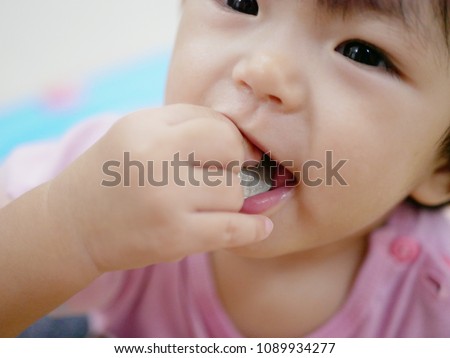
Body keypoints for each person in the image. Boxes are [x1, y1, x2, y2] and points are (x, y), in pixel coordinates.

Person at [1, 0, 450, 338]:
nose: (262, 70)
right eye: (242, 1)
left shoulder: (437, 288)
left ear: (441, 170)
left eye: (361, 52)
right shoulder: (111, 177)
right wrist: (71, 229)